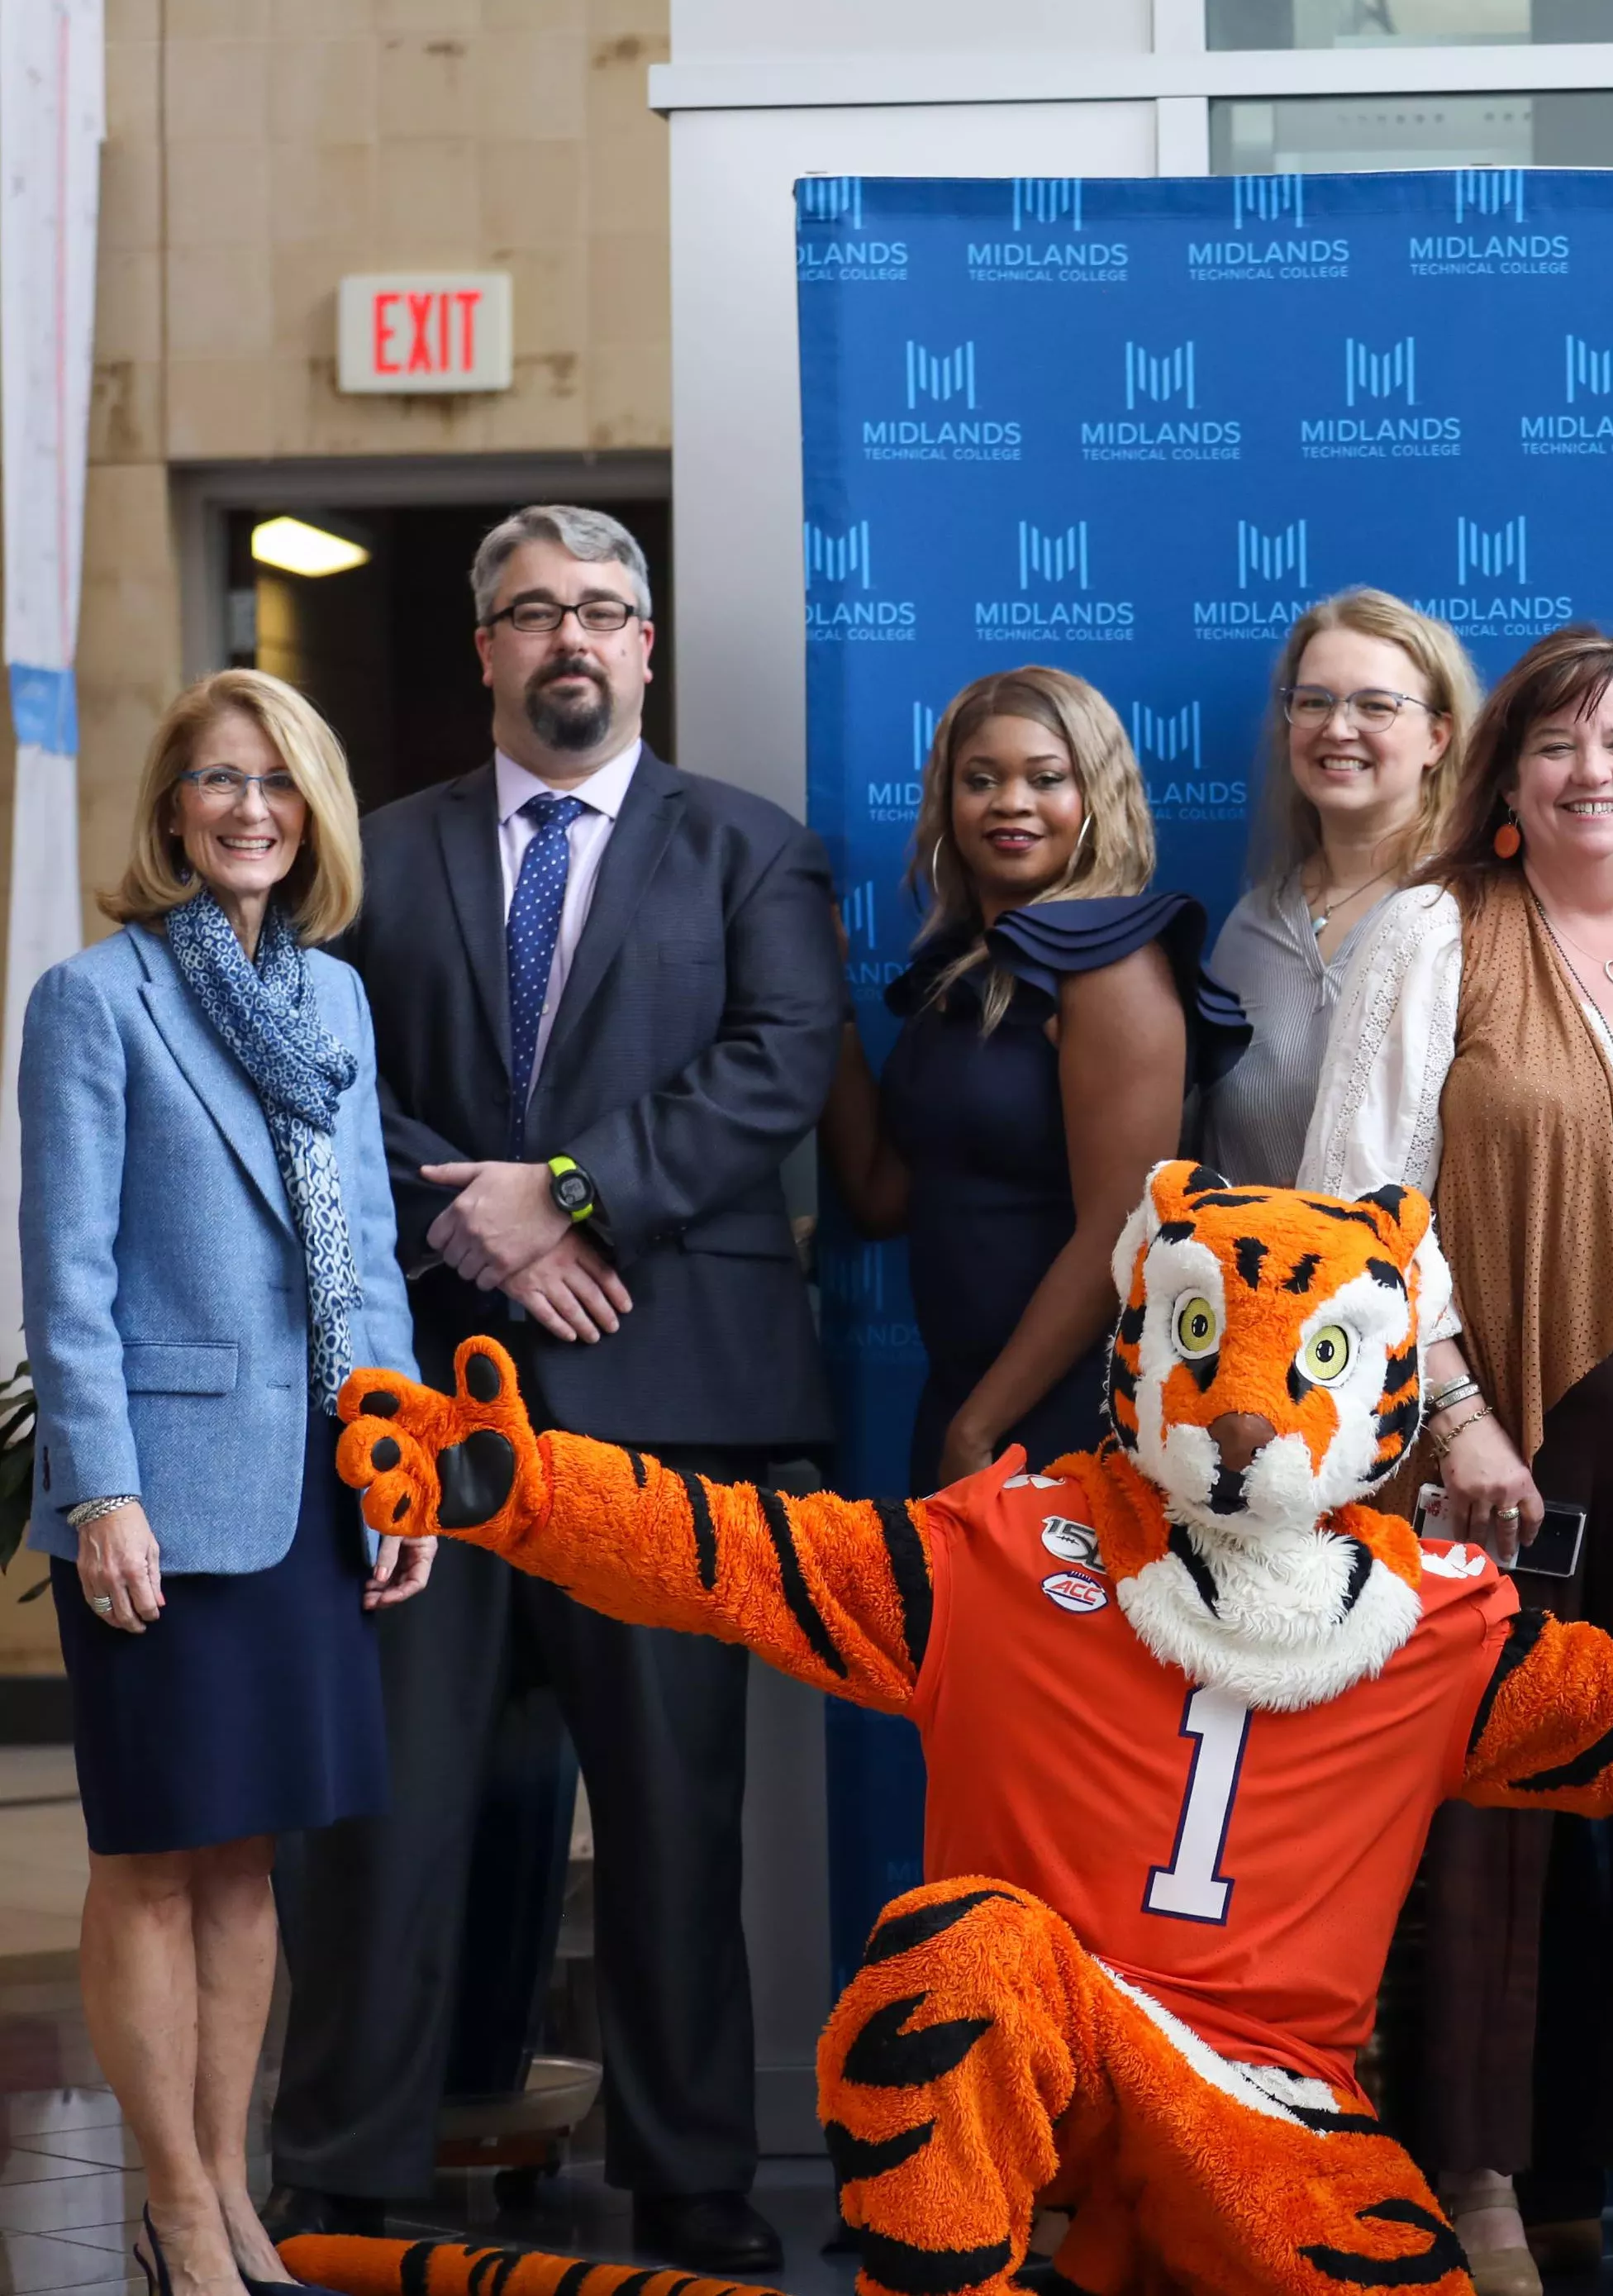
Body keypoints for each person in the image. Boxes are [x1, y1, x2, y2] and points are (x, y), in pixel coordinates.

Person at [266, 505, 842, 2274]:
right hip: (427, 1416)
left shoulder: (751, 853)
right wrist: (497, 1228)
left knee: (675, 1820)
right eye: (532, 613)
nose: (568, 637)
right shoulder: (380, 854)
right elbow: (314, 1067)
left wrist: (572, 1192)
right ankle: (349, 2172)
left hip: (668, 1410)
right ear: (487, 650)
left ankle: (694, 2184)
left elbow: (780, 1066)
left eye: (601, 608)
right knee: (390, 1807)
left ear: (648, 645)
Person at [1301, 625, 1613, 2296]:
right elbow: (1358, 1208)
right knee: (1491, 1814)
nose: (1594, 773)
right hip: (1501, 1428)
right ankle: (1483, 2171)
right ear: (1499, 781)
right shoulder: (1429, 934)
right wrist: (1453, 1419)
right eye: (1556, 748)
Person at [20, 672, 428, 2296]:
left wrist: (393, 1464)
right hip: (160, 1493)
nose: (248, 808)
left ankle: (234, 2191)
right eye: (216, 780)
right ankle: (174, 2202)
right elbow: (63, 1279)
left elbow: (372, 1261)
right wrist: (98, 1486)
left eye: (276, 781)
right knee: (152, 1856)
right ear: (171, 809)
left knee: (252, 1855)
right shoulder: (93, 999)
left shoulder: (332, 1002)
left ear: (311, 809)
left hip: (312, 1482)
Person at [821, 665, 1244, 1484]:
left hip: (1062, 1415)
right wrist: (825, 1003)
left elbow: (1123, 1228)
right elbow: (880, 1198)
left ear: (1096, 800)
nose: (1010, 802)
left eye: (1045, 779)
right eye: (981, 780)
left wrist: (982, 1427)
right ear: (948, 803)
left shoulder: (1114, 967)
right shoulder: (953, 980)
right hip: (961, 1405)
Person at [1202, 588, 1481, 1184]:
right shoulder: (1249, 927)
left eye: (1375, 705)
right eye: (1314, 702)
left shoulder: (1472, 918)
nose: (1337, 727)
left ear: (1437, 737)